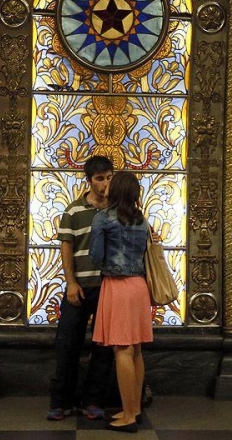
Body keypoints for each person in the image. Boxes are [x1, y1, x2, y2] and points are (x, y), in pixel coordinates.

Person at [48, 155, 115, 421]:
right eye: (99, 178)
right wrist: (71, 282)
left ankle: (93, 400)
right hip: (79, 287)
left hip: (108, 287)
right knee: (67, 344)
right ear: (88, 181)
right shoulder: (74, 211)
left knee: (103, 347)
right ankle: (61, 401)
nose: (105, 183)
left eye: (109, 177)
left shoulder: (117, 209)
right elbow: (66, 247)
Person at [89, 170, 153, 433]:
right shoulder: (142, 220)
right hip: (139, 287)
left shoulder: (103, 218)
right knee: (136, 350)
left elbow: (95, 255)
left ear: (115, 190)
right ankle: (134, 409)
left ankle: (127, 416)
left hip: (117, 286)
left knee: (122, 350)